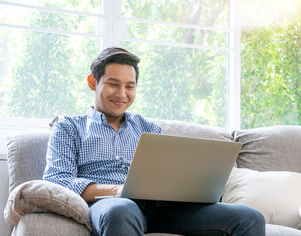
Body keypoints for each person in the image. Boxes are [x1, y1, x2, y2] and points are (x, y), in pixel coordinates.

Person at [43, 47, 265, 236]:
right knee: (121, 209)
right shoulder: (69, 127)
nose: (122, 94)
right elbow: (57, 180)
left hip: (164, 208)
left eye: (130, 87)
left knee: (249, 217)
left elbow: (169, 174)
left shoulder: (148, 128)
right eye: (113, 84)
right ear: (93, 82)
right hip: (111, 206)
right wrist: (119, 190)